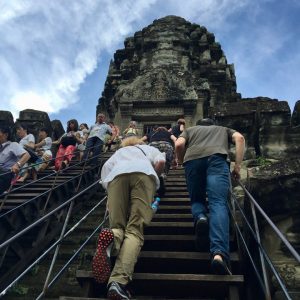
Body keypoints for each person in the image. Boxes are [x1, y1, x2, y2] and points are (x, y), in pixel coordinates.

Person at [92, 136, 165, 299]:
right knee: (134, 230)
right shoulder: (149, 149)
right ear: (140, 142)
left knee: (117, 226)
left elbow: (106, 169)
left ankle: (111, 240)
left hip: (116, 178)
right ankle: (117, 282)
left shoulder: (119, 152)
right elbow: (161, 162)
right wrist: (156, 177)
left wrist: (109, 195)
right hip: (144, 175)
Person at [175, 118, 245, 275]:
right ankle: (219, 254)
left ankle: (200, 217)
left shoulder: (190, 130)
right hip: (218, 159)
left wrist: (180, 160)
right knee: (218, 203)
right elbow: (240, 138)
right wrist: (237, 166)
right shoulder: (223, 129)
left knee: (197, 200)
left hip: (192, 161)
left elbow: (178, 144)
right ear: (213, 123)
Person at [0, 125, 30, 195]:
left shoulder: (13, 145)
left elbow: (27, 155)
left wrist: (17, 165)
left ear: (6, 135)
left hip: (5, 175)